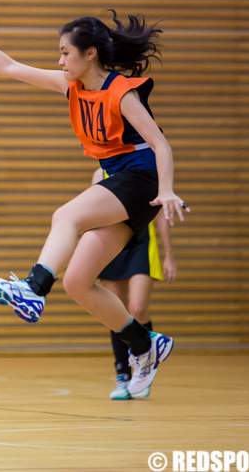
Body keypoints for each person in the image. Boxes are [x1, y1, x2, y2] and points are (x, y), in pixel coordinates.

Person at [0, 0, 189, 397]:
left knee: (66, 216)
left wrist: (166, 188)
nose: (60, 59)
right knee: (80, 283)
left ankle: (33, 289)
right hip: (121, 180)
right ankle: (145, 344)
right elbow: (7, 66)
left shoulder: (121, 92)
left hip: (141, 178)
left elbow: (160, 144)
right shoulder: (71, 86)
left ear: (89, 53)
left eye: (65, 52)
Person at [92, 168, 176, 400]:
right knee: (115, 310)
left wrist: (168, 254)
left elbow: (160, 217)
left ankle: (145, 368)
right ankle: (123, 375)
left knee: (138, 308)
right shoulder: (100, 174)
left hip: (141, 242)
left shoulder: (145, 171)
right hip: (112, 242)